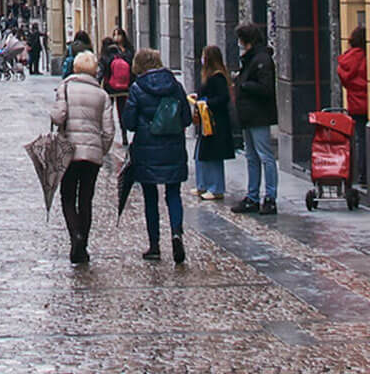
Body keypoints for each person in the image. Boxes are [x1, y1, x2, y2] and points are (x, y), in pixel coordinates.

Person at [122, 48, 191, 264]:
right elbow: (187, 118)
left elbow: (129, 122)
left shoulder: (137, 88)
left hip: (147, 148)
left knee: (150, 197)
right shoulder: (175, 86)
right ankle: (176, 233)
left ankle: (154, 245)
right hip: (173, 146)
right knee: (173, 193)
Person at [49, 50, 114, 265]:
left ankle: (75, 236)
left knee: (67, 196)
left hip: (69, 152)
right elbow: (108, 130)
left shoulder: (65, 87)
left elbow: (59, 117)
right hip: (91, 154)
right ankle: (82, 244)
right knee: (86, 198)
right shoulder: (102, 95)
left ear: (75, 67)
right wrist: (100, 149)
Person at [234, 20, 279, 214]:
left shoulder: (261, 60)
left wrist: (244, 85)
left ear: (247, 40)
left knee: (265, 156)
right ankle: (252, 196)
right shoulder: (251, 58)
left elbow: (266, 88)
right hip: (248, 115)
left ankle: (270, 197)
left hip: (258, 115)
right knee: (252, 157)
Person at [194, 45, 237, 201]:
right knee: (203, 154)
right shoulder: (210, 76)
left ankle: (216, 187)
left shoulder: (217, 77)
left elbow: (222, 98)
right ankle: (203, 185)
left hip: (216, 122)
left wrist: (206, 102)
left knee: (214, 156)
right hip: (208, 121)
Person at [339, 25, 368, 190]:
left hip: (354, 104)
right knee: (364, 141)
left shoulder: (347, 59)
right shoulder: (366, 58)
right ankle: (366, 174)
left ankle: (362, 175)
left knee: (360, 140)